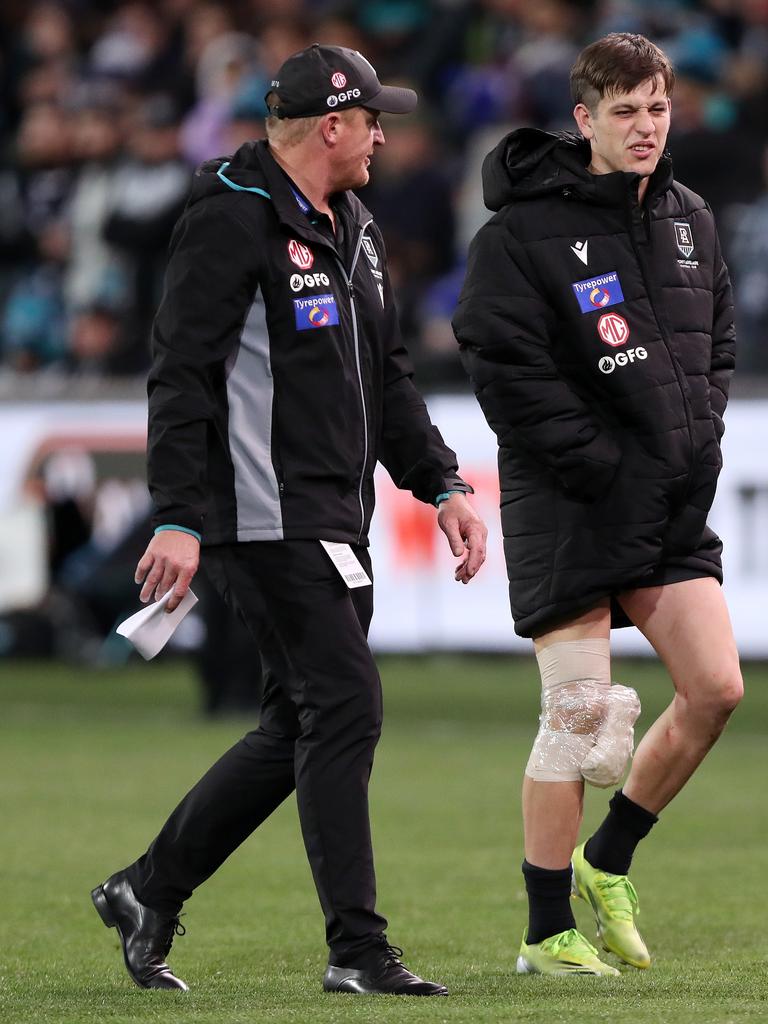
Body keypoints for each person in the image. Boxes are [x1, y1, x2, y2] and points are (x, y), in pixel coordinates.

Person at [91, 43, 486, 996]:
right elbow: (180, 376)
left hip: (331, 517)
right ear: (332, 126)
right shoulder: (229, 221)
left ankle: (149, 889)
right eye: (374, 119)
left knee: (296, 724)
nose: (385, 135)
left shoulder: (353, 224)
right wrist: (180, 515)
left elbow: (385, 378)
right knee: (345, 705)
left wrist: (443, 484)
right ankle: (357, 947)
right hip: (258, 516)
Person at [453, 32, 741, 976]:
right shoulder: (522, 232)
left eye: (657, 108)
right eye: (625, 112)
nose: (647, 126)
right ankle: (545, 932)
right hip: (572, 500)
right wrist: (600, 459)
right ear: (585, 121)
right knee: (580, 718)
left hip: (664, 498)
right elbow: (502, 367)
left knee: (716, 690)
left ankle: (607, 860)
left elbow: (719, 344)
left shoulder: (692, 217)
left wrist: (696, 435)